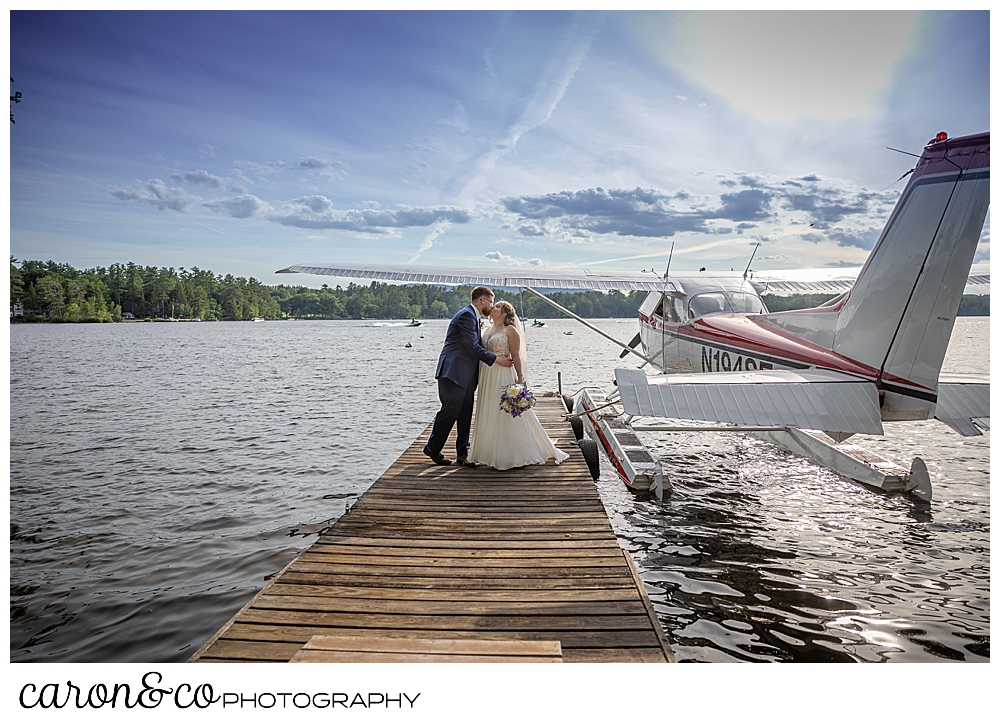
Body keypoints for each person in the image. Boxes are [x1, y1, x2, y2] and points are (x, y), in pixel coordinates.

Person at [468, 300, 569, 470]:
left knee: (504, 412)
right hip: (487, 374)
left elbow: (515, 356)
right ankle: (486, 451)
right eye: (494, 305)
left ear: (505, 314)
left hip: (502, 373)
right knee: (489, 409)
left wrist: (520, 378)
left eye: (497, 306)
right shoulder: (488, 329)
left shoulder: (511, 330)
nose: (493, 307)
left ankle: (508, 454)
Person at [424, 286, 513, 468]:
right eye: (490, 301)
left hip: (465, 375)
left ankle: (463, 454)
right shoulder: (466, 315)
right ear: (482, 301)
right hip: (454, 373)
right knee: (450, 411)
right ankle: (432, 448)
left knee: (464, 414)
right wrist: (496, 359)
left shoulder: (473, 316)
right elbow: (472, 347)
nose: (491, 305)